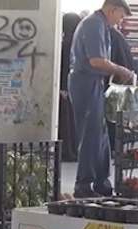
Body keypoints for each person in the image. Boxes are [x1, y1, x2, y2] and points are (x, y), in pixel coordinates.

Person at [72, 0, 136, 197]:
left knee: (101, 137)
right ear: (112, 9)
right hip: (86, 82)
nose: (121, 20)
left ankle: (102, 183)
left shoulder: (102, 26)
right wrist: (121, 70)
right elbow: (97, 61)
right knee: (91, 134)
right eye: (121, 15)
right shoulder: (94, 24)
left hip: (95, 83)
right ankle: (83, 185)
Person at [63, 12, 84, 161]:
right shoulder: (78, 44)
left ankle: (68, 151)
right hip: (76, 88)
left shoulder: (64, 44)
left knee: (66, 123)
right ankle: (76, 151)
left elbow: (62, 68)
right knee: (76, 122)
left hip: (64, 89)